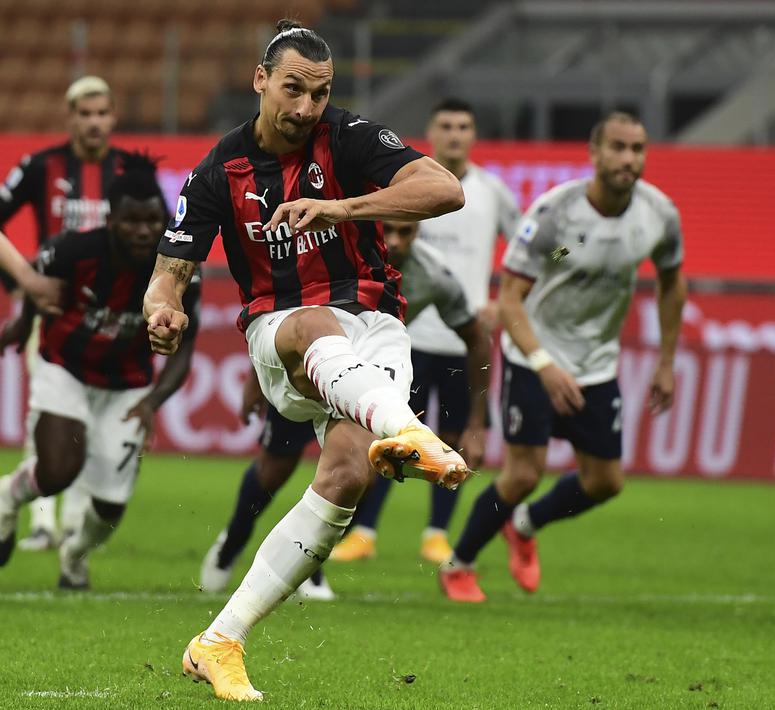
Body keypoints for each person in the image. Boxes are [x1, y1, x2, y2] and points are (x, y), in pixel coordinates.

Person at [144, 20, 469, 701]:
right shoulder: (218, 169)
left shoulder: (346, 139)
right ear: (261, 80)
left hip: (375, 327)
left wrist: (341, 208)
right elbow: (170, 270)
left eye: (319, 93)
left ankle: (219, 641)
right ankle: (407, 429)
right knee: (316, 323)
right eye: (292, 89)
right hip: (281, 331)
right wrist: (161, 307)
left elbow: (445, 190)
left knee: (347, 476)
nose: (304, 108)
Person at [438, 110, 687, 603]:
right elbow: (511, 297)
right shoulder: (557, 215)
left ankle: (525, 526)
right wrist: (544, 365)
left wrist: (665, 361)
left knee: (605, 481)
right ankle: (459, 564)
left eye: (637, 149)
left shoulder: (658, 215)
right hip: (536, 356)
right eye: (617, 147)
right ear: (594, 153)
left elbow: (672, 281)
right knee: (524, 473)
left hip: (596, 364)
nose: (628, 159)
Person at [198, 218, 491, 599]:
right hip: (310, 374)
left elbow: (476, 338)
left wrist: (477, 421)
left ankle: (309, 565)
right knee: (274, 469)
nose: (397, 242)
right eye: (390, 231)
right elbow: (280, 312)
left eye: (408, 233)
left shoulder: (434, 275)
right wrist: (259, 380)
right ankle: (233, 539)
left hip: (365, 382)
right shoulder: (334, 252)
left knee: (356, 472)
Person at [332, 96, 518, 564]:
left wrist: (511, 300)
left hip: (459, 333)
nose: (455, 134)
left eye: (464, 126)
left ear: (473, 135)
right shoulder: (411, 184)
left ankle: (437, 533)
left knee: (455, 438)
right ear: (432, 134)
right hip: (404, 336)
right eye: (447, 126)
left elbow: (544, 254)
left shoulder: (493, 192)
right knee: (390, 439)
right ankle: (365, 533)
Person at [0, 156, 200, 587]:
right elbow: (40, 274)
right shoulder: (74, 248)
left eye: (152, 220)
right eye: (132, 220)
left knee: (110, 506)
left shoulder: (178, 272)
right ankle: (7, 498)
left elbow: (186, 348)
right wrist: (22, 321)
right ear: (112, 218)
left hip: (127, 385)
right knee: (57, 471)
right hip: (65, 368)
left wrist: (151, 402)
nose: (144, 230)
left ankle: (75, 553)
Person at [0, 76, 141, 551]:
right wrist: (25, 282)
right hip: (54, 311)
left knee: (89, 434)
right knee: (54, 417)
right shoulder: (42, 167)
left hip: (115, 322)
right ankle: (41, 520)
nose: (94, 122)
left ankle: (69, 529)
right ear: (71, 117)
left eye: (102, 113)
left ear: (114, 116)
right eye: (85, 113)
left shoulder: (129, 174)